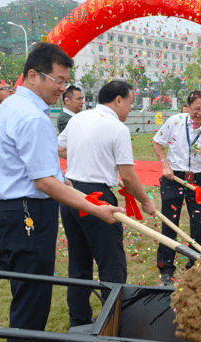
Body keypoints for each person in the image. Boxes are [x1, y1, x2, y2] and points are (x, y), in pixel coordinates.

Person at [0, 42, 123, 340]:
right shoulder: (33, 116)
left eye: (65, 81)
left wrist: (66, 182)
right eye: (58, 80)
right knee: (32, 304)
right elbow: (43, 182)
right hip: (28, 213)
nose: (63, 88)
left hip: (10, 210)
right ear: (34, 75)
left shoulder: (11, 103)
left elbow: (32, 166)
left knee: (25, 293)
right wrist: (93, 207)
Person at [58, 81, 156, 328]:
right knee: (112, 265)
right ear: (119, 100)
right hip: (97, 198)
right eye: (131, 102)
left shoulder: (79, 118)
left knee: (79, 262)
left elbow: (60, 148)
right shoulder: (117, 127)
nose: (130, 108)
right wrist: (146, 201)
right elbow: (128, 176)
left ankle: (78, 321)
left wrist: (87, 154)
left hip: (70, 195)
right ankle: (114, 323)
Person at [152, 90, 201, 286]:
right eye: (196, 109)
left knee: (197, 223)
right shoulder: (175, 121)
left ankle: (195, 264)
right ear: (188, 107)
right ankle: (166, 269)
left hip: (198, 181)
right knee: (170, 223)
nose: (200, 113)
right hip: (173, 177)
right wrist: (165, 165)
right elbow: (157, 142)